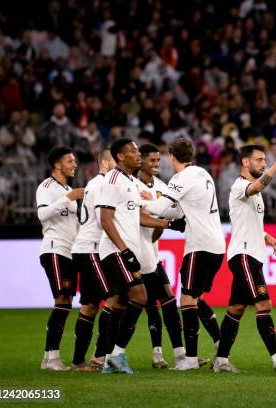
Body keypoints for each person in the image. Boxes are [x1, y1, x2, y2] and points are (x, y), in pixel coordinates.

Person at [212, 141, 276, 373]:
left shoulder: (252, 189)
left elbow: (245, 220)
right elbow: (258, 187)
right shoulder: (239, 186)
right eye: (259, 160)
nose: (263, 163)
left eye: (265, 160)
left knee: (236, 309)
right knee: (264, 304)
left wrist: (265, 234)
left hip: (251, 253)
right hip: (244, 255)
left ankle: (221, 361)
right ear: (245, 162)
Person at [143, 137, 225, 370]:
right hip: (217, 245)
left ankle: (189, 359)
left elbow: (161, 210)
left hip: (199, 245)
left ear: (171, 157)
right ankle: (220, 344)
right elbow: (179, 211)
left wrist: (140, 203)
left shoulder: (181, 178)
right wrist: (158, 204)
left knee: (187, 300)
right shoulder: (203, 174)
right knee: (197, 298)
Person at [97, 138, 171, 374]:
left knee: (119, 302)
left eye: (138, 150)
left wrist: (166, 224)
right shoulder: (113, 180)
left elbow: (138, 216)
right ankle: (117, 354)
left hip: (126, 251)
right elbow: (105, 220)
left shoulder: (130, 181)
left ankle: (107, 359)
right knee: (140, 296)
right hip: (116, 251)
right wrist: (124, 250)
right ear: (120, 156)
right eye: (132, 151)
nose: (137, 154)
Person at [134, 143, 185, 369]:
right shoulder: (131, 185)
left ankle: (178, 355)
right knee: (141, 306)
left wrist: (159, 224)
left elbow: (164, 217)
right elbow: (139, 216)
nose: (156, 164)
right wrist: (159, 217)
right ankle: (108, 355)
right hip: (133, 254)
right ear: (141, 161)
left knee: (167, 303)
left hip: (152, 254)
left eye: (158, 160)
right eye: (152, 160)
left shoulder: (163, 186)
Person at [37, 146, 84, 371]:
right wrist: (68, 198)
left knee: (65, 302)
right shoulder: (47, 187)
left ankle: (49, 358)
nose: (74, 165)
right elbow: (42, 214)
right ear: (57, 164)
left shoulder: (67, 189)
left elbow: (73, 223)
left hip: (69, 251)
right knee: (62, 300)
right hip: (54, 249)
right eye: (69, 161)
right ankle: (53, 358)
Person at [70, 148, 116, 371]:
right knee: (115, 300)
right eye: (116, 162)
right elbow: (103, 219)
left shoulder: (93, 184)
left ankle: (80, 361)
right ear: (105, 164)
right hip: (93, 250)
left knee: (89, 306)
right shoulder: (102, 185)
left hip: (85, 248)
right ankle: (100, 356)